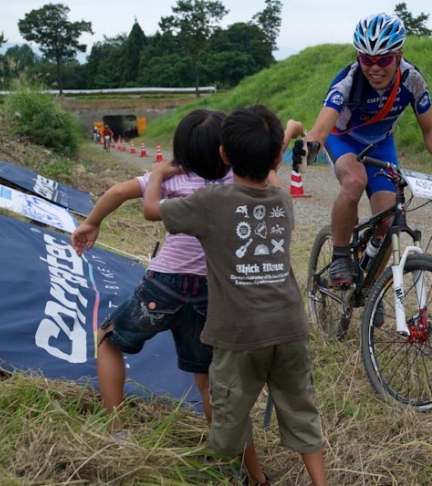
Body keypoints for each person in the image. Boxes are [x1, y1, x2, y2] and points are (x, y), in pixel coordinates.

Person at [143, 106, 327, 486]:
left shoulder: (211, 203)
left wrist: (159, 173)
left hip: (238, 335)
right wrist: (289, 132)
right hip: (289, 326)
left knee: (233, 415)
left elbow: (149, 211)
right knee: (302, 410)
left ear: (224, 156)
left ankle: (256, 478)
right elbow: (270, 168)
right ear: (276, 157)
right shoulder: (283, 200)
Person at [71, 109, 232, 430]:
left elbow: (118, 191)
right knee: (206, 379)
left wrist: (91, 222)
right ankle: (228, 449)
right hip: (211, 292)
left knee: (108, 337)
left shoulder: (175, 177)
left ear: (181, 151)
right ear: (226, 150)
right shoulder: (235, 180)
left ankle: (115, 429)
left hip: (164, 286)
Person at [305, 13, 432, 287]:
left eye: (383, 60)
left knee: (390, 218)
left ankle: (372, 287)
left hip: (380, 144)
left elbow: (430, 129)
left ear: (398, 54)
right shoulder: (348, 81)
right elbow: (320, 128)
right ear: (358, 57)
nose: (374, 68)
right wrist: (307, 150)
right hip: (343, 139)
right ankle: (341, 254)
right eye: (366, 59)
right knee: (355, 181)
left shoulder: (412, 80)